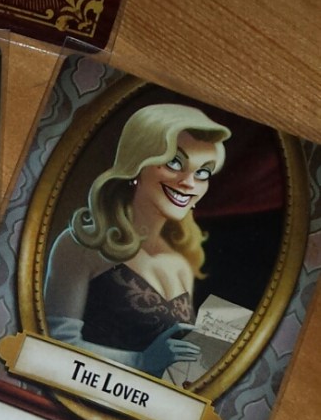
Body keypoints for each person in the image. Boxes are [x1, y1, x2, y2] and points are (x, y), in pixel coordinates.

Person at [43, 104, 231, 378]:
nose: (189, 183)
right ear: (136, 164)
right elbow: (54, 343)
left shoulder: (180, 264)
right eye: (175, 163)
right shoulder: (82, 244)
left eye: (202, 172)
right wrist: (140, 361)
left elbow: (178, 365)